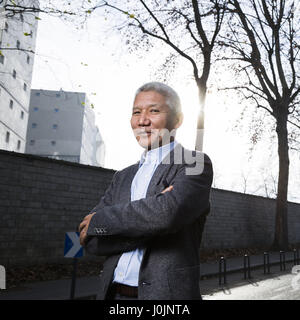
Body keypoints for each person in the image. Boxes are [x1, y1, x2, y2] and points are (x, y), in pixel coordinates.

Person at [78, 82, 213, 300]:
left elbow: (168, 214)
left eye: (154, 110)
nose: (142, 120)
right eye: (136, 112)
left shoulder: (194, 163)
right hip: (112, 296)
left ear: (177, 120)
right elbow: (90, 238)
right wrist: (153, 217)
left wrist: (102, 221)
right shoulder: (122, 177)